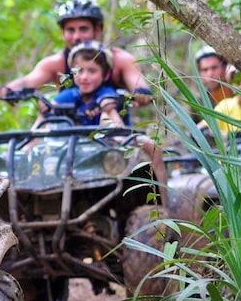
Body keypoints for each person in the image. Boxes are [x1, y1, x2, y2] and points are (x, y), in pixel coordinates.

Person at [57, 42, 169, 203]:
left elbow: (110, 107)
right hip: (71, 148)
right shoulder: (68, 95)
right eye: (79, 70)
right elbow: (52, 107)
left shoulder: (107, 93)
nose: (84, 76)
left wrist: (107, 106)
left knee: (153, 147)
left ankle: (163, 204)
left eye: (92, 71)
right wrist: (45, 108)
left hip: (109, 145)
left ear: (105, 75)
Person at [0, 0, 153, 107]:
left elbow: (139, 86)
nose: (77, 37)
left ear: (97, 30)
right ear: (62, 32)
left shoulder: (120, 60)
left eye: (83, 29)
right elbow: (28, 81)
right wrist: (7, 90)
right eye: (70, 30)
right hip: (66, 137)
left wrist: (140, 93)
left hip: (114, 138)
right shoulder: (55, 63)